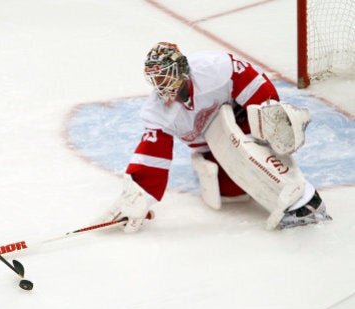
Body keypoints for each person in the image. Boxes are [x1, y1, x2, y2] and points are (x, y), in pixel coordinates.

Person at [101, 42, 332, 232]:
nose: (161, 86)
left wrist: (270, 119)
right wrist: (139, 197)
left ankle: (302, 199)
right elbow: (152, 158)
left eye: (165, 77)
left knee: (254, 148)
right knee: (232, 191)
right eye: (156, 80)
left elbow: (255, 86)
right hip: (211, 145)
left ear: (181, 69)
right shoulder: (157, 113)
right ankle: (210, 162)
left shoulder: (214, 68)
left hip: (241, 119)